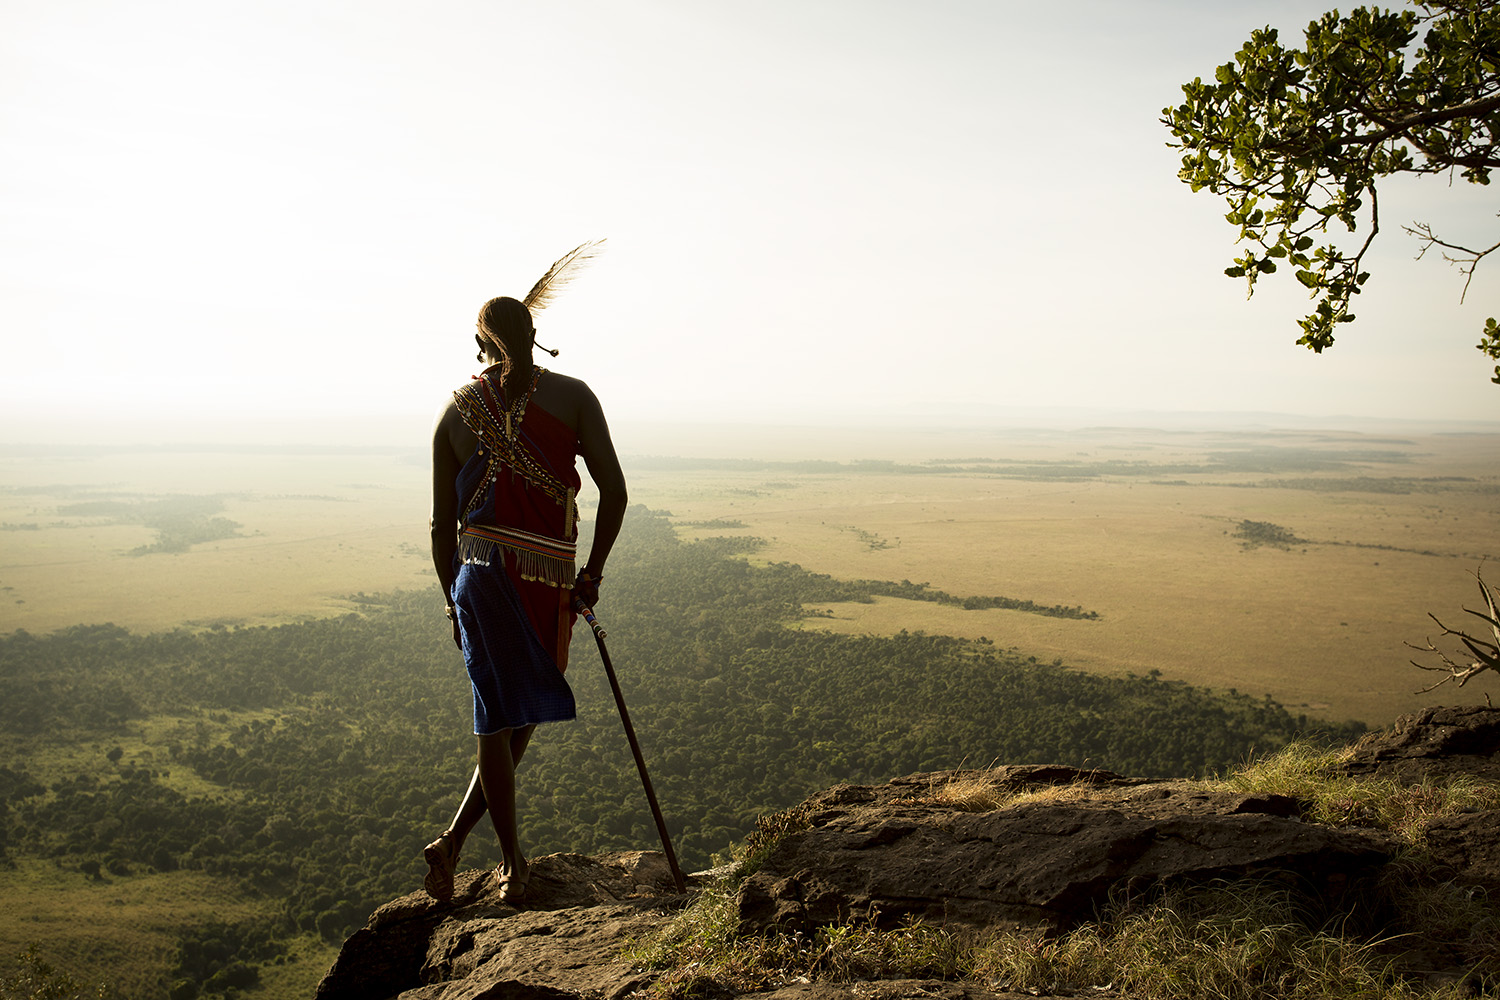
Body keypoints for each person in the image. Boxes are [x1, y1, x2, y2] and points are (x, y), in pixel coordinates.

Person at [422, 294, 627, 905]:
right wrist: (591, 575)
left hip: (478, 577)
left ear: (483, 345)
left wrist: (451, 603)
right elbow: (614, 494)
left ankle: (453, 844)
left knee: (511, 712)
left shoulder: (452, 417)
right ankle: (513, 862)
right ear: (535, 335)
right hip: (547, 579)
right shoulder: (574, 396)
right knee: (508, 714)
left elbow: (440, 528)